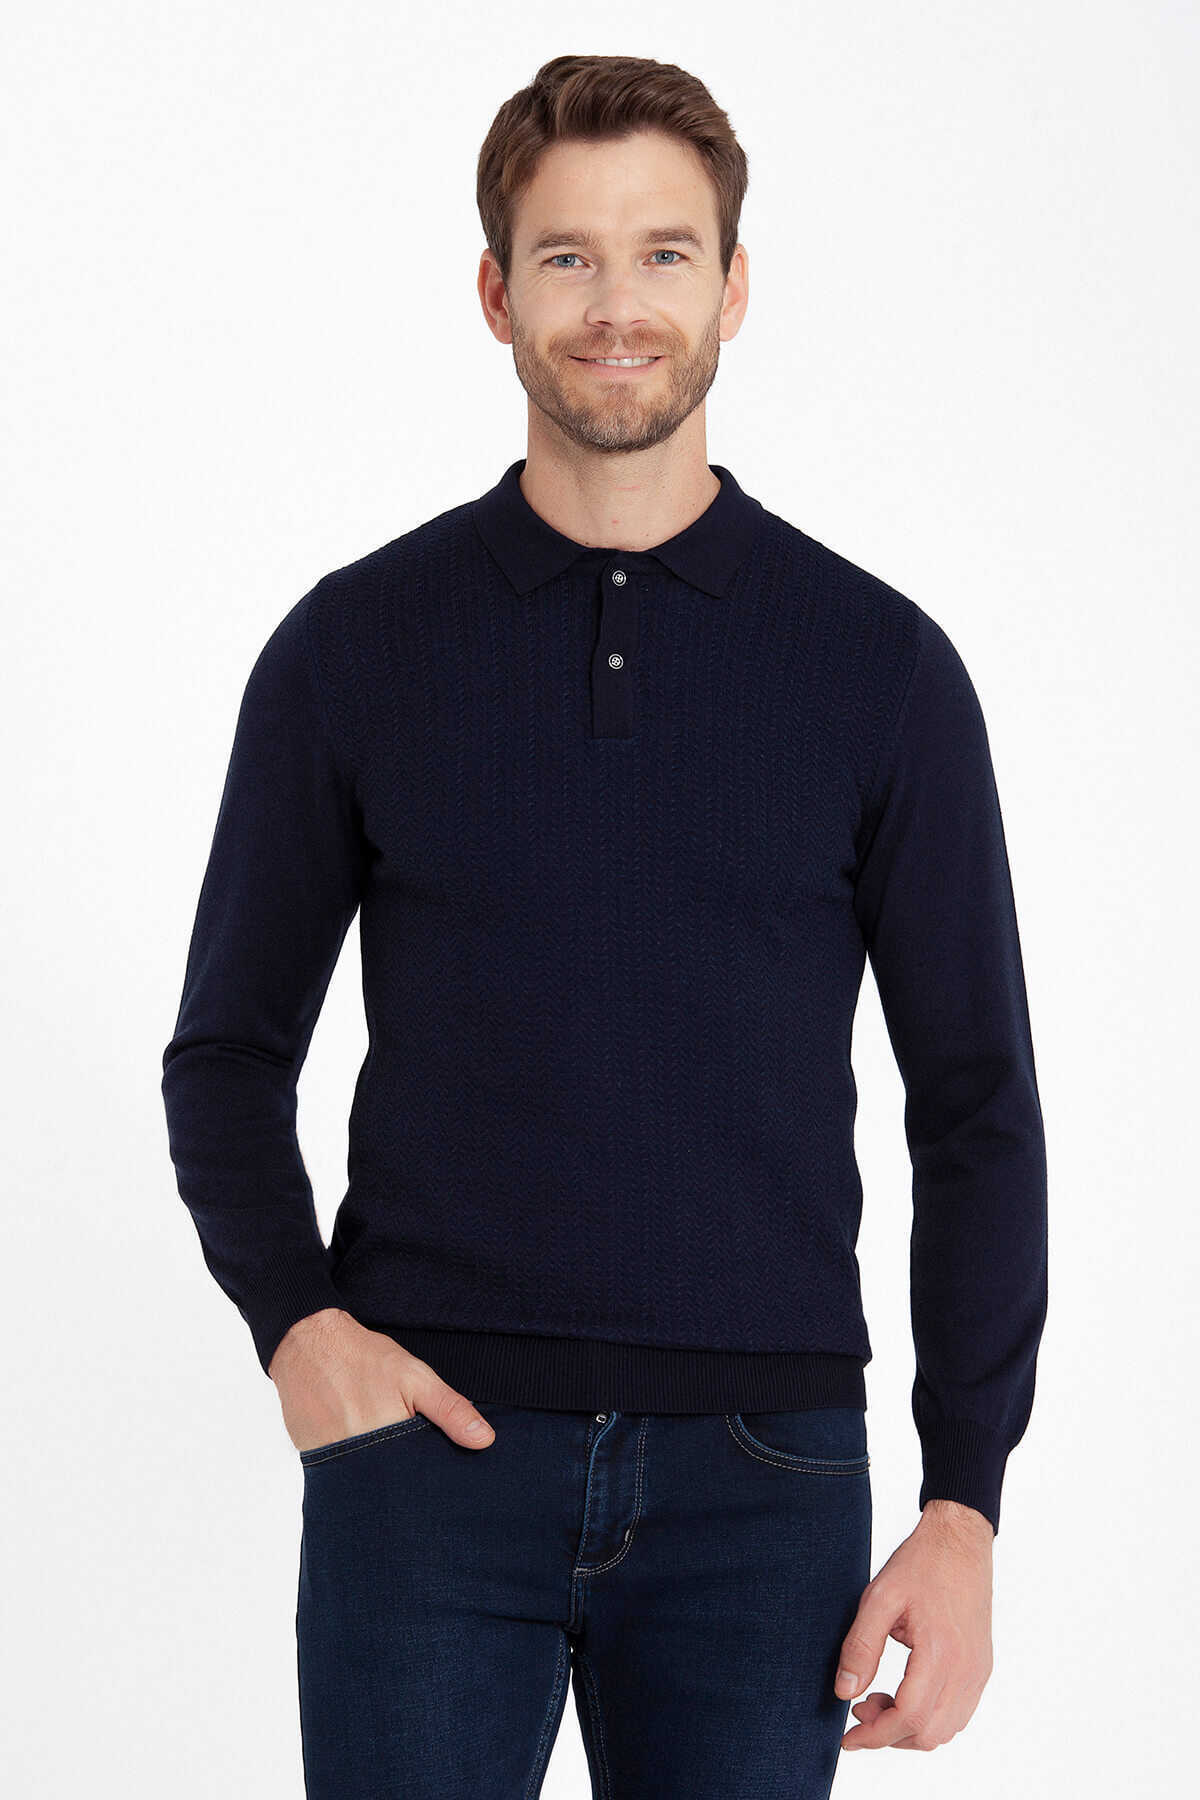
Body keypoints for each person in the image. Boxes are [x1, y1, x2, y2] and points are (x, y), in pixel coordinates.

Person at [161, 52, 1048, 1799]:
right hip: (430, 1459)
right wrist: (295, 1324)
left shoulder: (879, 670)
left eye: (663, 254)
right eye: (567, 257)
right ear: (498, 294)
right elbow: (226, 1053)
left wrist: (966, 1502)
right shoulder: (357, 648)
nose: (617, 306)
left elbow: (978, 1107)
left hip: (766, 1486)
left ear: (734, 286)